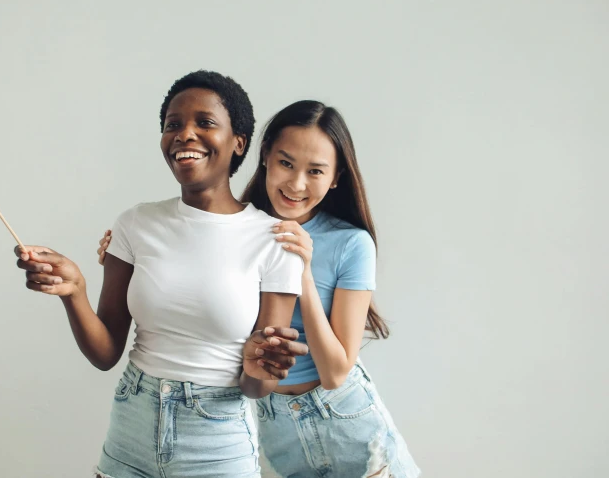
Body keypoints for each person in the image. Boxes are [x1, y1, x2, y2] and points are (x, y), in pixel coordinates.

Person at [99, 100, 420, 477]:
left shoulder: (351, 243)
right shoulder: (243, 228)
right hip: (272, 424)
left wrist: (299, 272)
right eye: (286, 163)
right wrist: (128, 261)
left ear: (335, 178)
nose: (296, 184)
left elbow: (335, 372)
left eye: (315, 171)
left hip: (347, 425)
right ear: (265, 155)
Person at [15, 71, 307, 478]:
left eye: (204, 122)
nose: (184, 134)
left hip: (217, 441)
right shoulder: (135, 224)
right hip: (131, 426)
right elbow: (105, 354)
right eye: (173, 124)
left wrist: (260, 370)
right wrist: (75, 291)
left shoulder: (275, 242)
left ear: (238, 142)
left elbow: (256, 387)